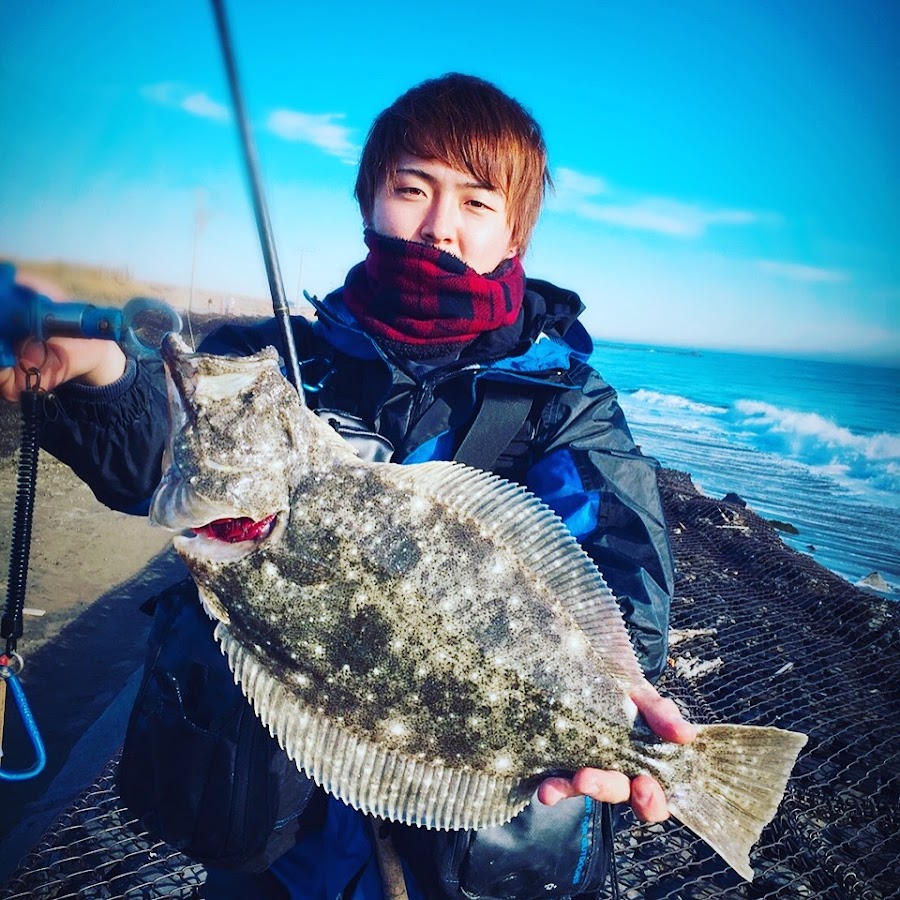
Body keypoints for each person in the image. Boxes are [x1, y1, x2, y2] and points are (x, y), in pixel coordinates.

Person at [1, 73, 695, 899]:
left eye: (477, 203)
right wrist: (103, 376)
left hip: (474, 847)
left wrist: (618, 708)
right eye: (412, 189)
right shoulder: (280, 363)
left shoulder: (563, 406)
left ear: (515, 235)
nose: (439, 227)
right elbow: (167, 454)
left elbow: (620, 565)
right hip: (274, 833)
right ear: (369, 200)